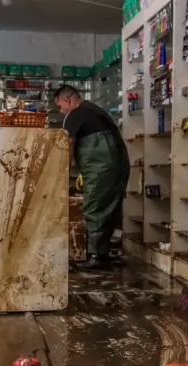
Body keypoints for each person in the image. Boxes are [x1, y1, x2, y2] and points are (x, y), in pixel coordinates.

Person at [55, 85, 130, 270]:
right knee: (110, 207)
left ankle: (96, 257)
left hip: (101, 168)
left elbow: (69, 145)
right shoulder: (95, 110)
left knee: (94, 207)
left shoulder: (74, 115)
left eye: (59, 106)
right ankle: (102, 253)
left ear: (67, 100)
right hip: (118, 165)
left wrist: (61, 174)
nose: (61, 111)